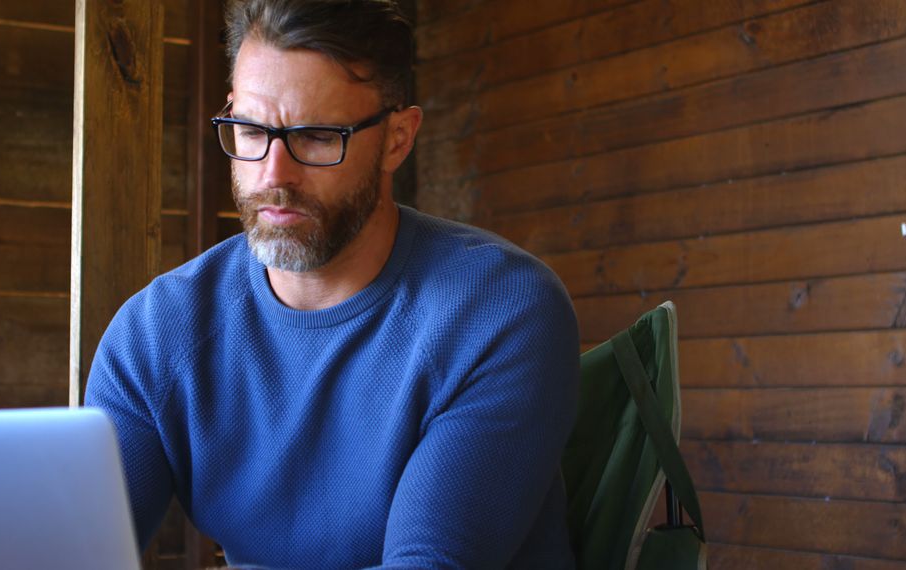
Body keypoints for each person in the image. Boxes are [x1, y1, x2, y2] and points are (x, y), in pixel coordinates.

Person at [84, 0, 580, 567]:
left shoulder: (501, 311)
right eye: (250, 130)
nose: (273, 175)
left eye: (316, 136)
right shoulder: (157, 332)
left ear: (397, 138)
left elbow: (429, 562)